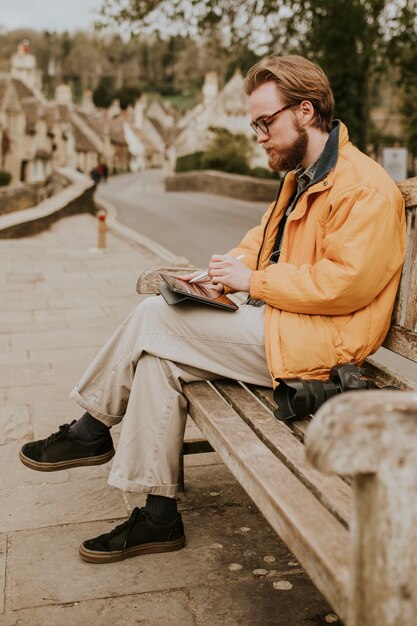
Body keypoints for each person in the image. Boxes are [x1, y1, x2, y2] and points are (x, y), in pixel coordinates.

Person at [19, 55, 406, 564]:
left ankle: (91, 429)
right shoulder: (303, 175)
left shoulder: (365, 187)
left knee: (155, 317)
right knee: (159, 359)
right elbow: (259, 241)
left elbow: (346, 286)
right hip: (288, 326)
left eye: (265, 123)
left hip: (326, 346)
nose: (259, 135)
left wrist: (255, 282)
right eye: (255, 125)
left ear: (305, 111)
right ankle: (158, 516)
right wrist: (223, 270)